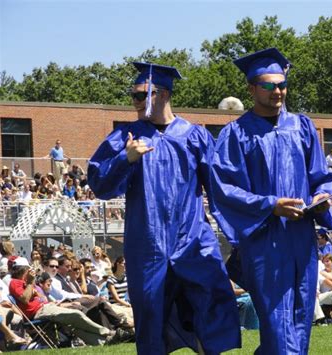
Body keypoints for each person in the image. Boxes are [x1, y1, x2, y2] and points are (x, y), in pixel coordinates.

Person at [87, 62, 240, 354]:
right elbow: (100, 185)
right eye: (133, 95)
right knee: (150, 318)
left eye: (143, 94)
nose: (136, 101)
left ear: (165, 94)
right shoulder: (125, 138)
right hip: (148, 245)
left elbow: (220, 190)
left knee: (212, 304)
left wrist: (240, 235)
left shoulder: (195, 136)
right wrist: (125, 159)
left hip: (193, 240)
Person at [210, 48, 332, 354]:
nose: (278, 91)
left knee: (300, 320)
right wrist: (271, 205)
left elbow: (320, 175)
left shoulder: (302, 126)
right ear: (252, 88)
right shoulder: (236, 134)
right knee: (277, 324)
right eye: (269, 86)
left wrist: (322, 197)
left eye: (282, 85)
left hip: (301, 237)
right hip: (264, 241)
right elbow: (224, 189)